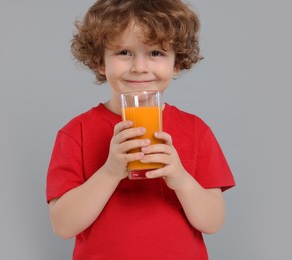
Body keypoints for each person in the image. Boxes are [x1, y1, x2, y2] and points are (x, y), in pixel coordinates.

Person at [46, 0, 235, 259]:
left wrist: (181, 179)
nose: (140, 67)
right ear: (100, 61)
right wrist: (110, 172)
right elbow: (63, 225)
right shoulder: (75, 132)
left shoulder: (196, 130)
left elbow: (213, 222)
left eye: (156, 53)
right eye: (124, 52)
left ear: (176, 62)